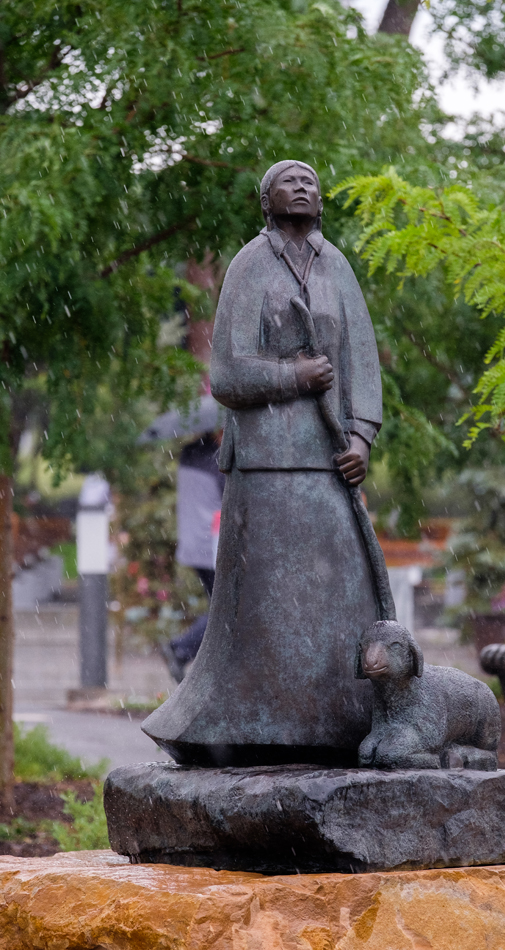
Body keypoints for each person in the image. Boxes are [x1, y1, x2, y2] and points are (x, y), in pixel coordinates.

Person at [143, 160, 385, 767]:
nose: (301, 187)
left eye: (310, 182)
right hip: (266, 465)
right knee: (262, 603)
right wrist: (293, 375)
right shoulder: (251, 267)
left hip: (330, 465)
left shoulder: (337, 268)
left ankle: (342, 719)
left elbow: (361, 363)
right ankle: (246, 726)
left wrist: (360, 439)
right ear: (266, 200)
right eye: (288, 181)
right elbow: (226, 373)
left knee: (340, 596)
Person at [160, 432, 224, 683]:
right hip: (212, 545)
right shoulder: (216, 459)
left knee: (221, 607)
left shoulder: (191, 453)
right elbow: (234, 496)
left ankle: (185, 651)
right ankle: (181, 648)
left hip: (193, 543)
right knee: (227, 611)